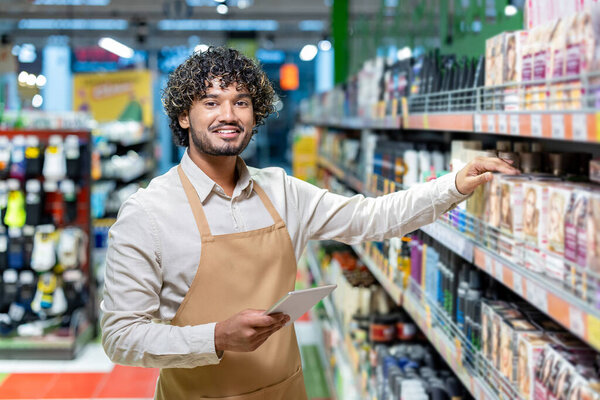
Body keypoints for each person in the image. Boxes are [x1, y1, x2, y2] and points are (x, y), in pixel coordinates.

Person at [100, 46, 519, 399]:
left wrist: (454, 185)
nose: (228, 114)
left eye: (241, 102)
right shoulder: (147, 213)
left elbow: (371, 218)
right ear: (183, 117)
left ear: (255, 114)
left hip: (286, 390)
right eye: (211, 102)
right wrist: (215, 337)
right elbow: (120, 336)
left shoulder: (282, 191)